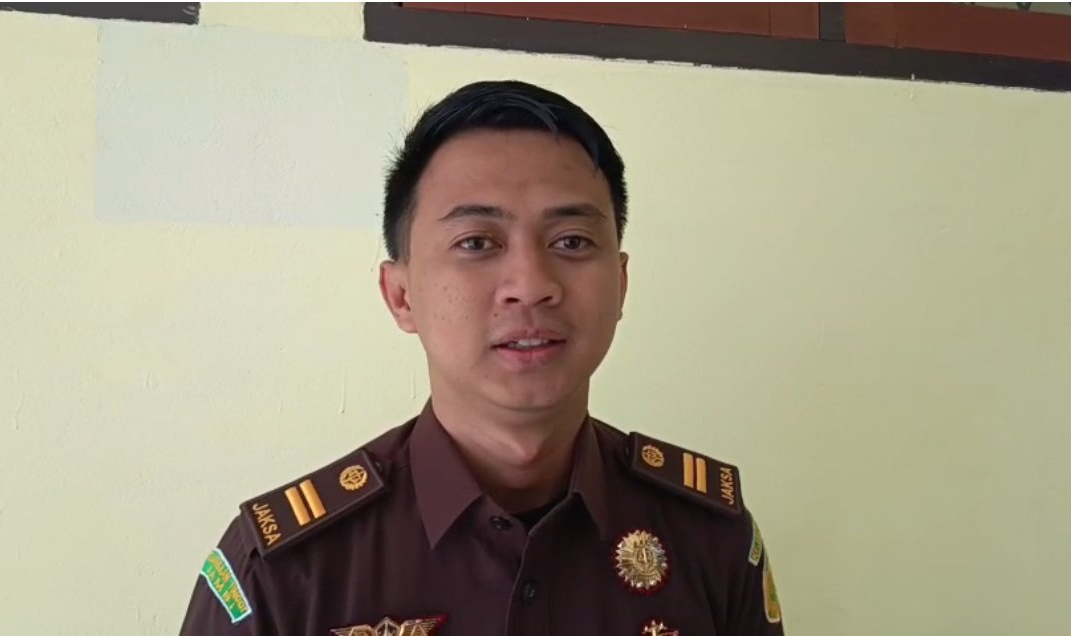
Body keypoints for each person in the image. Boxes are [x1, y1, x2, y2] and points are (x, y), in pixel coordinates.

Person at [179, 79, 783, 636]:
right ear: (401, 295)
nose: (531, 285)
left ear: (621, 286)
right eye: (476, 242)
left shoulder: (712, 540)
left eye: (571, 241)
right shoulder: (284, 574)